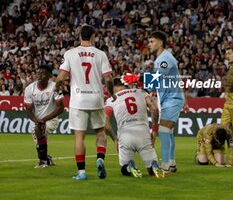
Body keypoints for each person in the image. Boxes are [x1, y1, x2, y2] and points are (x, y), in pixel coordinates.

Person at [122, 31, 189, 172]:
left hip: (172, 98)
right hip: (168, 99)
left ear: (160, 43)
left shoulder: (165, 59)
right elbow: (154, 84)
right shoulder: (161, 59)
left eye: (152, 41)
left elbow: (156, 78)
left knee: (164, 130)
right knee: (168, 132)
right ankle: (171, 163)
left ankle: (165, 166)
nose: (149, 44)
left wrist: (136, 78)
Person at [55, 24, 116, 180]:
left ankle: (82, 172)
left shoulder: (70, 53)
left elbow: (61, 77)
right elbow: (108, 78)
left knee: (79, 136)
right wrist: (111, 93)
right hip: (96, 98)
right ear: (93, 37)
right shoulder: (101, 54)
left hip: (78, 99)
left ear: (79, 36)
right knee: (100, 132)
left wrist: (57, 87)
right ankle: (100, 158)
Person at [104, 78, 164, 178]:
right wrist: (154, 131)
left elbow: (105, 123)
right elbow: (154, 109)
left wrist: (115, 139)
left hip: (125, 135)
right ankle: (153, 165)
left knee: (124, 170)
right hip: (143, 134)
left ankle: (129, 166)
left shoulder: (111, 99)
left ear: (114, 87)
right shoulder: (141, 92)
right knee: (152, 173)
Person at [24, 65, 64, 168]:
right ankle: (47, 158)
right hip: (37, 120)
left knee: (37, 131)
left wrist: (44, 120)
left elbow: (60, 108)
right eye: (38, 73)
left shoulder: (55, 87)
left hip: (51, 119)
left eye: (43, 73)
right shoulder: (30, 89)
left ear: (49, 75)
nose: (39, 76)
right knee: (38, 137)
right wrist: (36, 120)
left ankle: (42, 161)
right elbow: (27, 109)